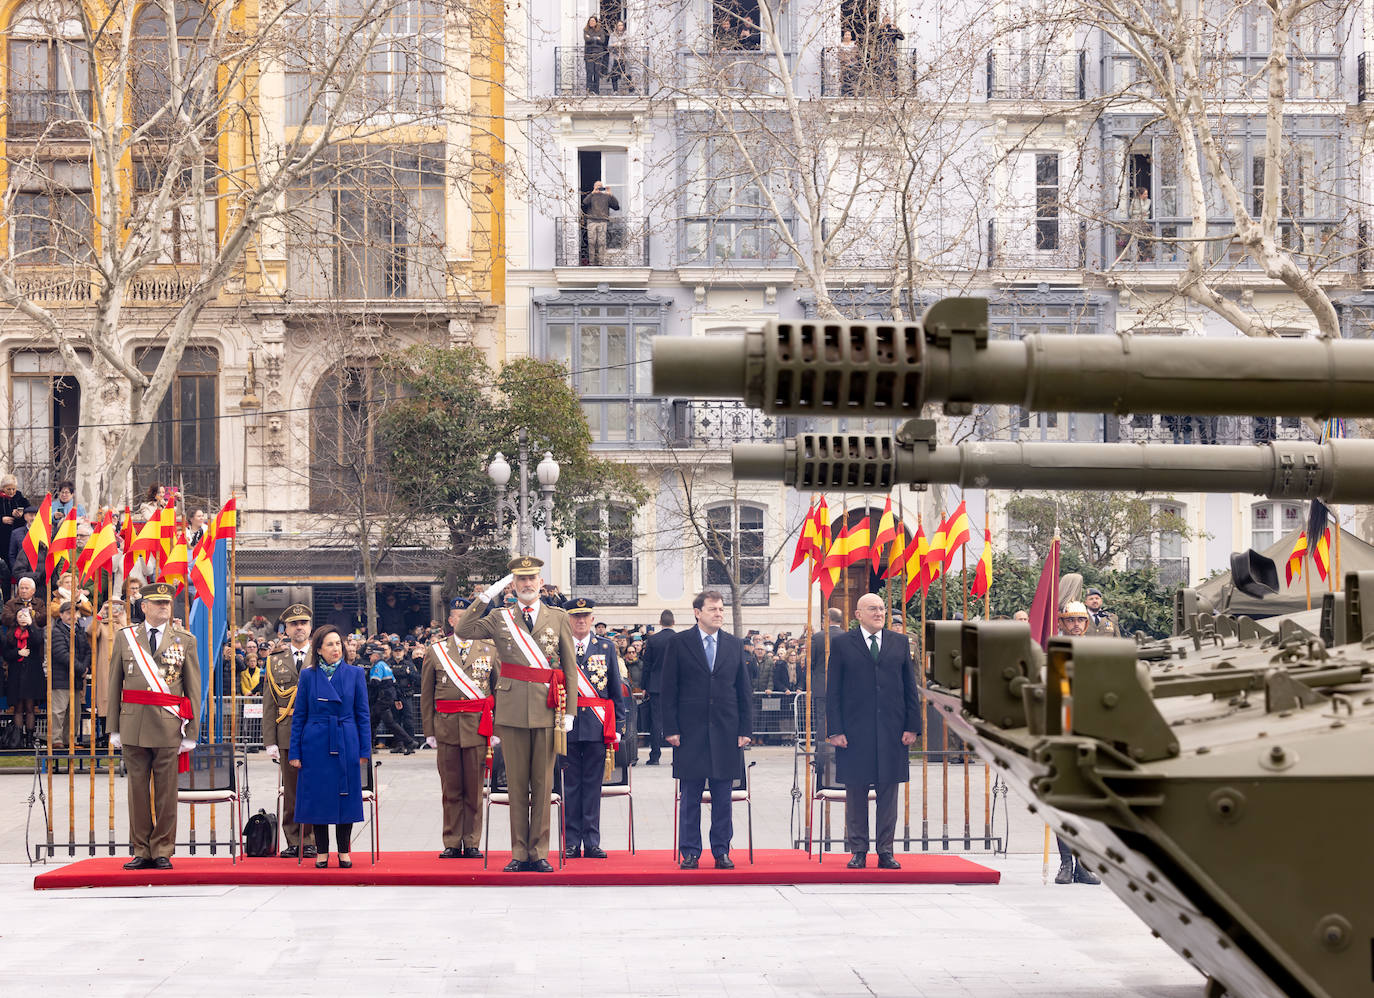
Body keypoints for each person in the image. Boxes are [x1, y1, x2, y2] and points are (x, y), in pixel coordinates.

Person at [456, 555, 578, 873]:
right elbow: (465, 628)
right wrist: (485, 595)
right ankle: (518, 853)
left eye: (532, 579)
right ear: (513, 584)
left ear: (540, 583)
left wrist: (572, 712)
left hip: (548, 709)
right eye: (520, 580)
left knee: (542, 784)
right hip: (511, 711)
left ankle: (539, 853)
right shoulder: (499, 617)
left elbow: (569, 666)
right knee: (516, 786)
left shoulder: (558, 617)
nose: (526, 584)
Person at [108, 581, 201, 871]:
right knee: (137, 792)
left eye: (167, 603)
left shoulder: (185, 640)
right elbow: (114, 685)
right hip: (133, 724)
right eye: (158, 603)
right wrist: (113, 728)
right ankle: (140, 849)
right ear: (144, 607)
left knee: (166, 793)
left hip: (168, 726)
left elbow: (194, 689)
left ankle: (162, 849)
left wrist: (192, 732)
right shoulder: (125, 638)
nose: (164, 607)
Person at [826, 593, 921, 870]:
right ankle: (858, 850)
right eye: (873, 609)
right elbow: (833, 691)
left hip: (892, 731)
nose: (879, 613)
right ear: (858, 614)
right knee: (856, 793)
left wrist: (911, 727)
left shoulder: (899, 642)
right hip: (855, 732)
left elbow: (909, 688)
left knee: (888, 793)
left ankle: (886, 851)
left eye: (881, 608)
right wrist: (835, 730)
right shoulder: (843, 643)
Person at [662, 590, 753, 869]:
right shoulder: (679, 643)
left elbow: (743, 690)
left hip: (726, 731)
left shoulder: (734, 644)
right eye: (713, 609)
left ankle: (721, 850)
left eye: (722, 610)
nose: (719, 614)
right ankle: (690, 851)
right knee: (690, 795)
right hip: (690, 732)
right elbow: (669, 689)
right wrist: (671, 728)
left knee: (723, 795)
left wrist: (745, 729)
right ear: (697, 612)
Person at [422, 597, 498, 859]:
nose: (464, 621)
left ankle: (472, 840)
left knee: (475, 789)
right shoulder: (437, 651)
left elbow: (497, 691)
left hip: (478, 728)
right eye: (459, 617)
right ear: (452, 622)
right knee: (451, 789)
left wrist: (496, 728)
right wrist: (428, 731)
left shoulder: (489, 650)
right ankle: (452, 841)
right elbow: (427, 694)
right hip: (447, 729)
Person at [289, 624, 371, 869]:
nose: (336, 649)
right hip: (315, 742)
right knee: (319, 797)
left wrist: (364, 750)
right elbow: (299, 715)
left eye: (339, 643)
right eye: (330, 645)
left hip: (345, 740)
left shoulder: (355, 674)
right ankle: (322, 852)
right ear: (319, 650)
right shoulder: (308, 675)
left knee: (345, 795)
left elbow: (363, 715)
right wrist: (295, 751)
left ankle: (344, 850)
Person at [561, 598, 624, 859]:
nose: (580, 621)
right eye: (576, 616)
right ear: (569, 619)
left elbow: (615, 689)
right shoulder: (560, 647)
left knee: (593, 786)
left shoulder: (606, 647)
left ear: (592, 618)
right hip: (568, 727)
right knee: (571, 786)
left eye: (585, 616)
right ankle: (572, 842)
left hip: (598, 727)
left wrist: (619, 724)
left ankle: (592, 840)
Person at [1052, 602, 1101, 885]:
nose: (1075, 625)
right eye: (1070, 620)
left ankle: (1084, 864)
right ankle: (1065, 863)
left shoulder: (1095, 651)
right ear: (1062, 622)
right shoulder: (1055, 652)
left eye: (1080, 620)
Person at [263, 603, 314, 858]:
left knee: (315, 787)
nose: (299, 628)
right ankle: (294, 840)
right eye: (294, 624)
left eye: (303, 623)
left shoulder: (322, 655)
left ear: (310, 626)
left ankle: (314, 839)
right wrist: (269, 740)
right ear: (287, 628)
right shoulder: (275, 661)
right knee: (292, 791)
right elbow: (269, 702)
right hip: (287, 731)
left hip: (316, 732)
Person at [2, 593, 45, 747]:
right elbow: (6, 653)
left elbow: (37, 641)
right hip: (16, 673)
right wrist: (17, 653)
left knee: (30, 707)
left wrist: (31, 625)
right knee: (18, 708)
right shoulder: (10, 633)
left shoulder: (36, 630)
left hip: (32, 673)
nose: (22, 618)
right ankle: (18, 738)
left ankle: (30, 739)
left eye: (25, 615)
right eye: (20, 615)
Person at [49, 599, 92, 750]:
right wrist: (81, 668)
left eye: (75, 612)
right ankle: (56, 740)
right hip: (61, 679)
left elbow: (87, 650)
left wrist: (85, 666)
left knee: (73, 713)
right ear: (61, 615)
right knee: (58, 712)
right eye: (68, 613)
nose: (72, 616)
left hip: (76, 679)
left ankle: (69, 740)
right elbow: (62, 654)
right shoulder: (56, 631)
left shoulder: (79, 630)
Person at [87, 597, 127, 747]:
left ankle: (123, 734)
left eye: (117, 607)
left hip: (123, 669)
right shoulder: (101, 626)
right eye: (110, 608)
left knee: (124, 701)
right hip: (106, 668)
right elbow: (91, 633)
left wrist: (122, 619)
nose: (113, 611)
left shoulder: (126, 625)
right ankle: (106, 734)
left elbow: (134, 637)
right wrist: (100, 613)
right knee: (106, 702)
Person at [639, 609, 674, 765]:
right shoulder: (679, 639)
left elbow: (647, 666)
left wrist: (644, 685)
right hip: (675, 686)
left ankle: (655, 756)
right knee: (677, 721)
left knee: (656, 722)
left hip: (656, 685)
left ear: (660, 622)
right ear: (673, 622)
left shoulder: (653, 641)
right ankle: (678, 757)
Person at [582, 180, 621, 266]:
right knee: (592, 242)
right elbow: (584, 203)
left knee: (601, 242)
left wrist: (611, 195)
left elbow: (616, 207)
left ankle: (601, 262)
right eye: (597, 186)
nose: (599, 188)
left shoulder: (606, 197)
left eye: (600, 186)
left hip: (602, 221)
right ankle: (592, 262)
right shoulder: (591, 196)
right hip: (591, 221)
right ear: (594, 187)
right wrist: (592, 193)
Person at [583, 15, 608, 93]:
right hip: (589, 54)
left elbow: (602, 41)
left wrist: (591, 38)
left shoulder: (600, 30)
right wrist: (596, 38)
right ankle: (589, 91)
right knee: (589, 73)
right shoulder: (586, 30)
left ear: (596, 22)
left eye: (593, 21)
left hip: (598, 54)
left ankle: (596, 91)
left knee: (597, 73)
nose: (591, 22)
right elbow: (587, 40)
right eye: (590, 21)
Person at [607, 20, 632, 93]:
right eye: (619, 25)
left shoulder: (626, 35)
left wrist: (620, 44)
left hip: (624, 57)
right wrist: (615, 45)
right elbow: (609, 46)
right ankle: (615, 90)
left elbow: (628, 45)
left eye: (621, 25)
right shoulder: (613, 35)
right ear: (616, 27)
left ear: (623, 26)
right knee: (614, 74)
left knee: (627, 74)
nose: (620, 27)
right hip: (615, 57)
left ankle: (631, 89)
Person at [837, 28, 859, 95]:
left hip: (853, 65)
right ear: (843, 36)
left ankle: (852, 93)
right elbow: (840, 54)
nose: (847, 36)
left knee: (852, 79)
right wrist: (845, 59)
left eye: (848, 35)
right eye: (846, 34)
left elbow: (855, 54)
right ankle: (844, 93)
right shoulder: (840, 45)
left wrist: (850, 59)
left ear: (851, 36)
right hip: (844, 65)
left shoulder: (854, 44)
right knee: (844, 79)